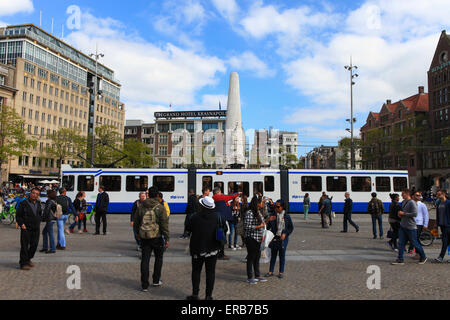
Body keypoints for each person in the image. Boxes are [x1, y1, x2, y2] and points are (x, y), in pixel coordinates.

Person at [133, 186, 170, 291]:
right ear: (157, 195)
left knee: (145, 260)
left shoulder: (141, 206)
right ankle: (156, 280)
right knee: (158, 258)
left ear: (148, 195)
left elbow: (136, 222)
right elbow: (164, 225)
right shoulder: (160, 207)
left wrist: (138, 234)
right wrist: (167, 238)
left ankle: (144, 284)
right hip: (157, 237)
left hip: (145, 237)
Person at [185, 197, 220, 301]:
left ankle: (195, 294)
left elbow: (188, 229)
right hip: (213, 249)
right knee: (211, 273)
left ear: (202, 206)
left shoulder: (195, 217)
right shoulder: (217, 216)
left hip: (197, 248)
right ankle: (208, 296)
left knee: (196, 271)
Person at [392, 190, 427, 265]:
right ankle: (400, 259)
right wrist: (400, 214)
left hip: (411, 226)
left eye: (403, 194)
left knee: (414, 242)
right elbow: (403, 211)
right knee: (401, 243)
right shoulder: (404, 202)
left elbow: (415, 214)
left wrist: (403, 213)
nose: (401, 196)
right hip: (403, 225)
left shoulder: (412, 202)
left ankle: (423, 256)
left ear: (407, 194)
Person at [265, 199, 294, 279]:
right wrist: (268, 220)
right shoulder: (273, 215)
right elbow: (268, 227)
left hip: (283, 239)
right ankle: (270, 271)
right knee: (273, 255)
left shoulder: (287, 216)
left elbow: (291, 228)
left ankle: (281, 272)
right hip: (275, 238)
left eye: (278, 207)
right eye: (275, 206)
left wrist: (285, 233)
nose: (276, 208)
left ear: (282, 207)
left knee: (282, 255)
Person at [16, 188, 42, 271]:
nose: (34, 195)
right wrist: (21, 224)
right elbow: (18, 215)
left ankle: (28, 258)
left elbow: (39, 213)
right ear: (30, 193)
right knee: (24, 246)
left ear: (38, 195)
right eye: (33, 193)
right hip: (26, 228)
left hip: (36, 228)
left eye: (36, 194)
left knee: (34, 245)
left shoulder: (38, 203)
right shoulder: (24, 203)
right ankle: (23, 263)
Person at [243, 195, 267, 284]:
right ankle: (249, 277)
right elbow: (247, 226)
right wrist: (258, 226)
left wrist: (266, 221)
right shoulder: (250, 212)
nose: (262, 204)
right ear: (257, 203)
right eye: (261, 202)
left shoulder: (258, 211)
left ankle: (257, 275)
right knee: (251, 257)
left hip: (258, 238)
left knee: (257, 257)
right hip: (251, 238)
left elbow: (263, 222)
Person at [212, 187, 241, 260]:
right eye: (220, 192)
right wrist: (238, 193)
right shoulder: (219, 197)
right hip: (221, 221)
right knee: (221, 237)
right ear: (218, 192)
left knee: (219, 237)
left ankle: (218, 253)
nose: (221, 193)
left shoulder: (213, 198)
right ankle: (221, 254)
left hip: (218, 220)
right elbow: (230, 197)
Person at [434, 190, 450, 263]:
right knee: (446, 242)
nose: (437, 195)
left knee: (445, 241)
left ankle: (441, 257)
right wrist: (436, 223)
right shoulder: (439, 203)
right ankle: (441, 257)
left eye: (439, 194)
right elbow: (438, 214)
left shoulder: (448, 203)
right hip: (442, 225)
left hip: (448, 225)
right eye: (437, 194)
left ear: (443, 194)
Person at [40, 190, 57, 254]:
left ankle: (52, 248)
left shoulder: (49, 201)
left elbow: (46, 210)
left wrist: (43, 218)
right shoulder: (54, 201)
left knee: (50, 234)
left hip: (49, 219)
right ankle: (45, 247)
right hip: (53, 218)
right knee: (45, 232)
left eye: (47, 194)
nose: (46, 195)